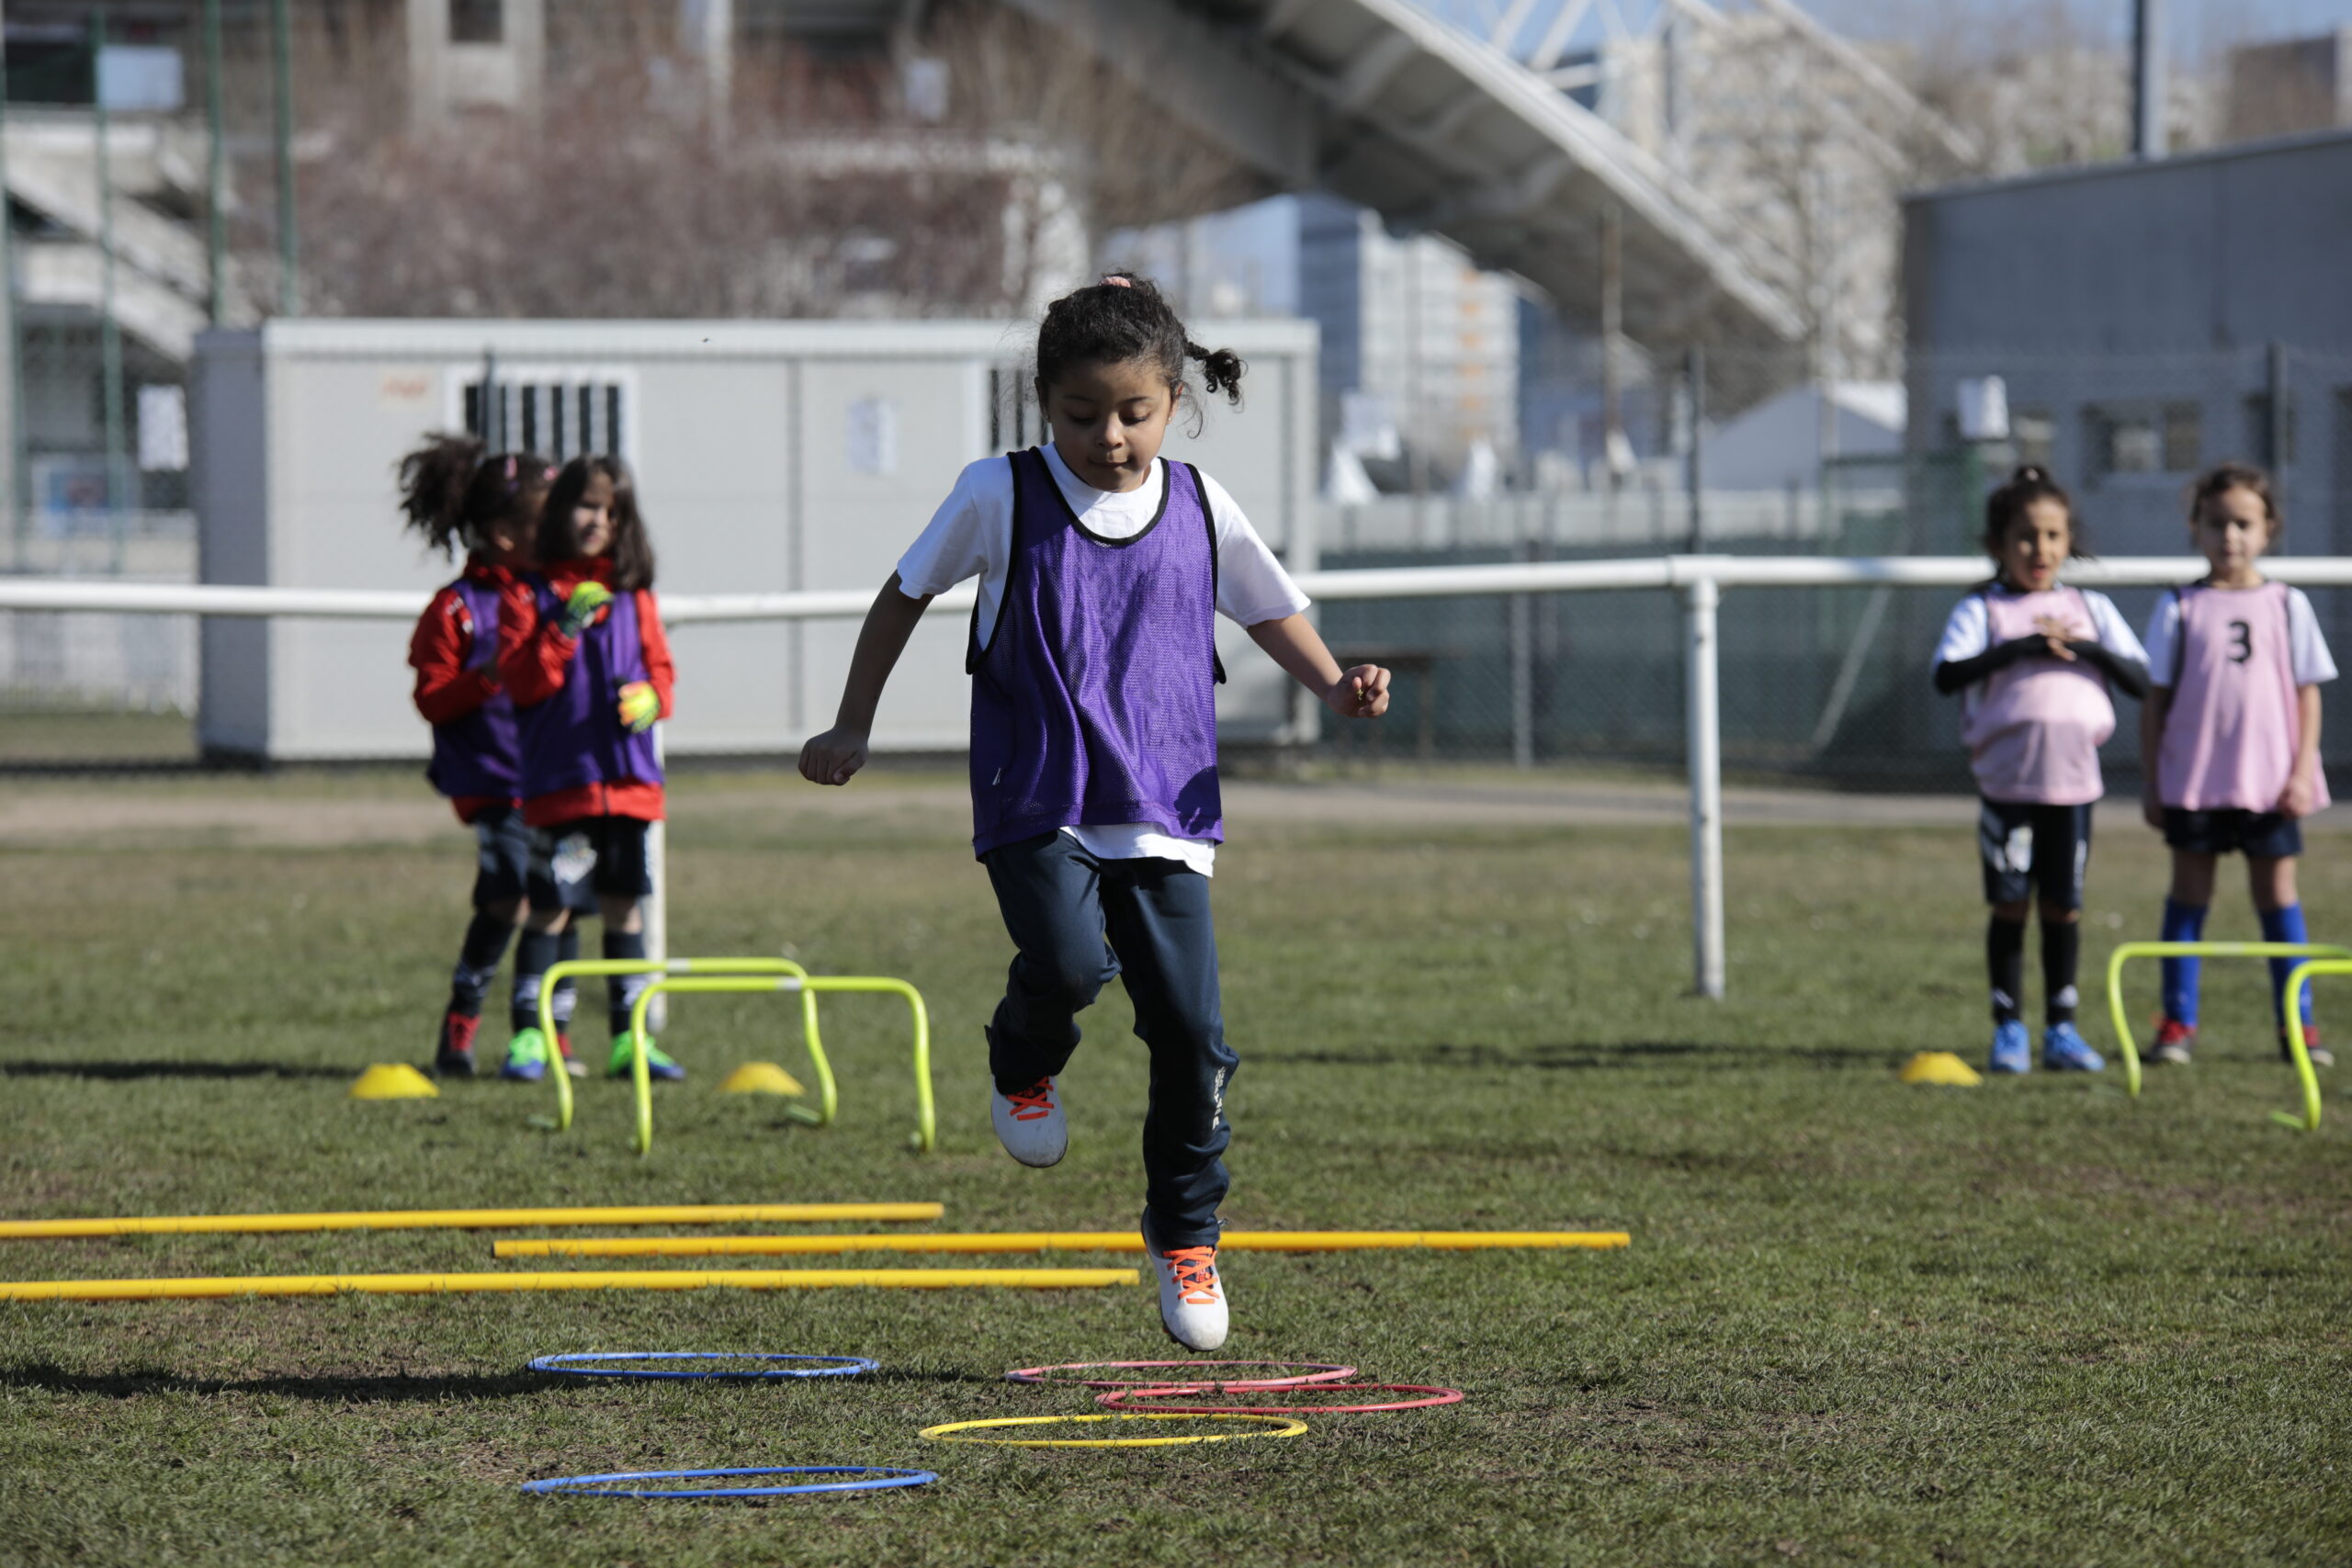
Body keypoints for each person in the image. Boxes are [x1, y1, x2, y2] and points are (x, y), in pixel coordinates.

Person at [797, 273, 1390, 1350]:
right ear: (1042, 402)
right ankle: (1022, 1062)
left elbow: (1269, 609)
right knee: (1072, 964)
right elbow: (904, 594)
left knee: (1194, 1038)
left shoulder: (1205, 504)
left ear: (1174, 399)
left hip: (1165, 797)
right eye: (1081, 415)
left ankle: (1184, 1236)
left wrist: (1336, 684)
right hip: (1036, 788)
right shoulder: (999, 491)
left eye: (1134, 412)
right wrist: (851, 724)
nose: (1109, 437)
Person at [1933, 465, 2150, 1075]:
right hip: (2008, 788)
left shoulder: (2090, 608)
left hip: (2073, 788)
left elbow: (2139, 677)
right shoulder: (1984, 608)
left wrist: (2082, 649)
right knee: (2010, 905)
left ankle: (2061, 1028)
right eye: (2026, 536)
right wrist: (2024, 645)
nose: (2041, 549)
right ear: (1999, 543)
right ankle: (2008, 1028)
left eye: (2053, 536)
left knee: (2063, 906)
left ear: (2069, 541)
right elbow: (1947, 673)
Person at [2140, 462, 2335, 1068]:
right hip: (2196, 784)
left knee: (2277, 897)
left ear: (2268, 529)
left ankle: (2296, 1026)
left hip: (2271, 785)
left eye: (2243, 523)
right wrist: (2152, 781)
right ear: (2196, 527)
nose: (2230, 536)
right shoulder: (2178, 607)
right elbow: (2155, 702)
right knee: (2189, 895)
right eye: (2217, 523)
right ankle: (2177, 1024)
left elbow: (2307, 693)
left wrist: (2302, 772)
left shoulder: (2287, 605)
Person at [400, 436, 583, 1077]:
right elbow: (431, 697)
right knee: (509, 898)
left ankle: (550, 1036)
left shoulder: (558, 595)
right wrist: (490, 677)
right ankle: (461, 1024)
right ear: (505, 533)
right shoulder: (455, 609)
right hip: (497, 780)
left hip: (562, 777)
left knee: (565, 893)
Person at [495, 455, 678, 1085]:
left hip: (628, 790)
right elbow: (522, 682)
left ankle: (629, 1042)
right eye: (586, 506)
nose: (597, 520)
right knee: (552, 907)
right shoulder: (530, 596)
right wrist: (563, 626)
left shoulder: (636, 599)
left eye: (610, 511)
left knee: (626, 909)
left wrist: (654, 697)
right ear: (558, 511)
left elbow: (662, 672)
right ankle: (533, 1036)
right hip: (562, 787)